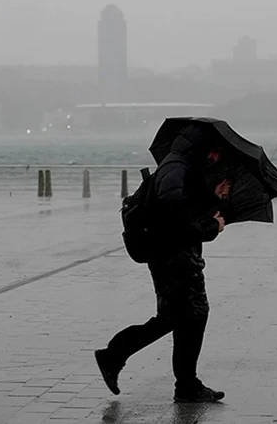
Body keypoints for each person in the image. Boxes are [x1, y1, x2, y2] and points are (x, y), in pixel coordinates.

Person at [95, 125, 232, 403]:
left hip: (173, 256)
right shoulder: (177, 168)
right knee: (190, 314)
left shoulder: (180, 167)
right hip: (173, 258)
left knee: (181, 317)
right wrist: (210, 226)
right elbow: (174, 215)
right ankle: (117, 356)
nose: (217, 157)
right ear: (203, 147)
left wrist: (214, 196)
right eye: (215, 151)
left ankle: (183, 384)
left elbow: (182, 206)